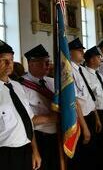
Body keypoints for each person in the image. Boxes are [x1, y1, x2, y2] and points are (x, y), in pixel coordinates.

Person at [0, 40, 41, 170]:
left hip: (26, 149)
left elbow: (28, 120)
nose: (8, 64)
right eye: (3, 60)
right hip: (5, 153)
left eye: (11, 60)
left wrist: (35, 150)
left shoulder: (17, 86)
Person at [21, 44, 59, 170]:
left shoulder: (52, 82)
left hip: (58, 135)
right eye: (45, 63)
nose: (49, 66)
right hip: (39, 138)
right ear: (32, 64)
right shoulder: (20, 87)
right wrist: (51, 118)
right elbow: (25, 120)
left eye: (49, 62)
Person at [68, 38, 101, 170]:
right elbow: (74, 101)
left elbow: (88, 96)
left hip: (90, 115)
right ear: (69, 53)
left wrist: (96, 116)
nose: (82, 52)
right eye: (79, 50)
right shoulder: (69, 71)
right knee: (83, 156)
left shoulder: (81, 70)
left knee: (92, 153)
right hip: (81, 119)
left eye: (82, 50)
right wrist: (84, 127)